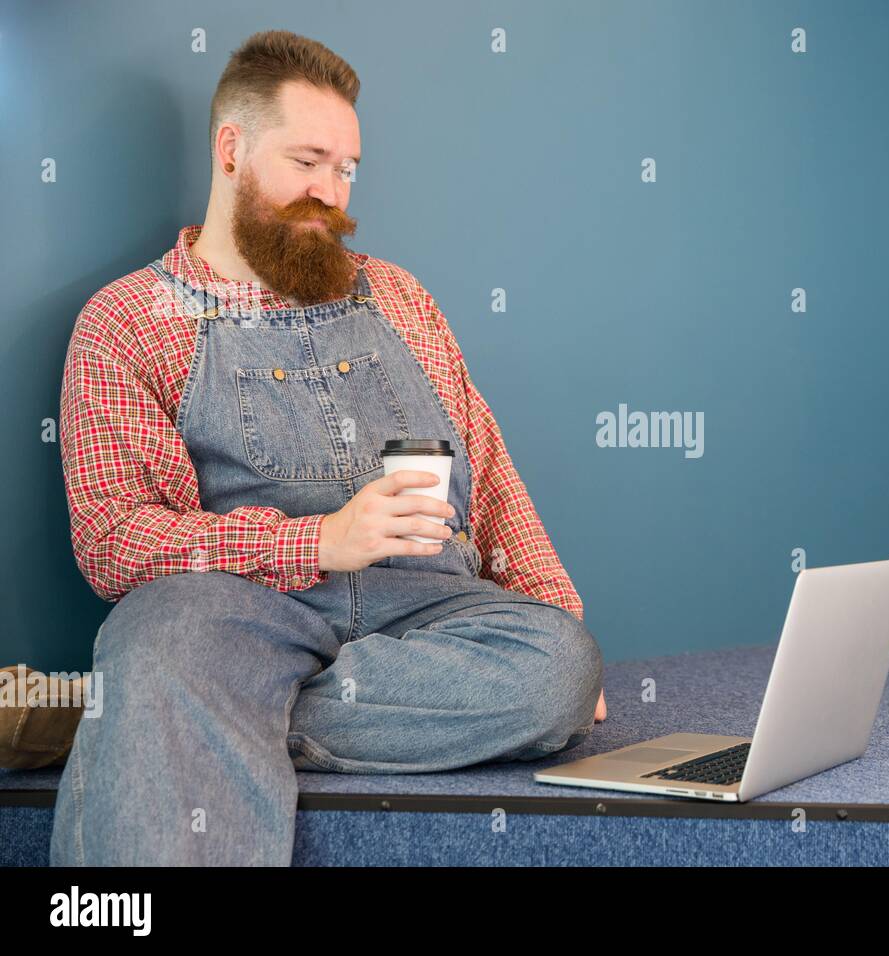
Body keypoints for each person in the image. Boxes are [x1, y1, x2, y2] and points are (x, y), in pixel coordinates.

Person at [11, 29, 606, 865]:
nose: (332, 191)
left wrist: (560, 620)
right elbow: (117, 542)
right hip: (242, 613)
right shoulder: (128, 320)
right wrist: (318, 540)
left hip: (425, 614)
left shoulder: (399, 295)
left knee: (557, 668)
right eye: (308, 161)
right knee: (167, 641)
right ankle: (171, 696)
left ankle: (165, 711)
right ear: (231, 150)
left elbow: (493, 470)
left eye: (347, 168)